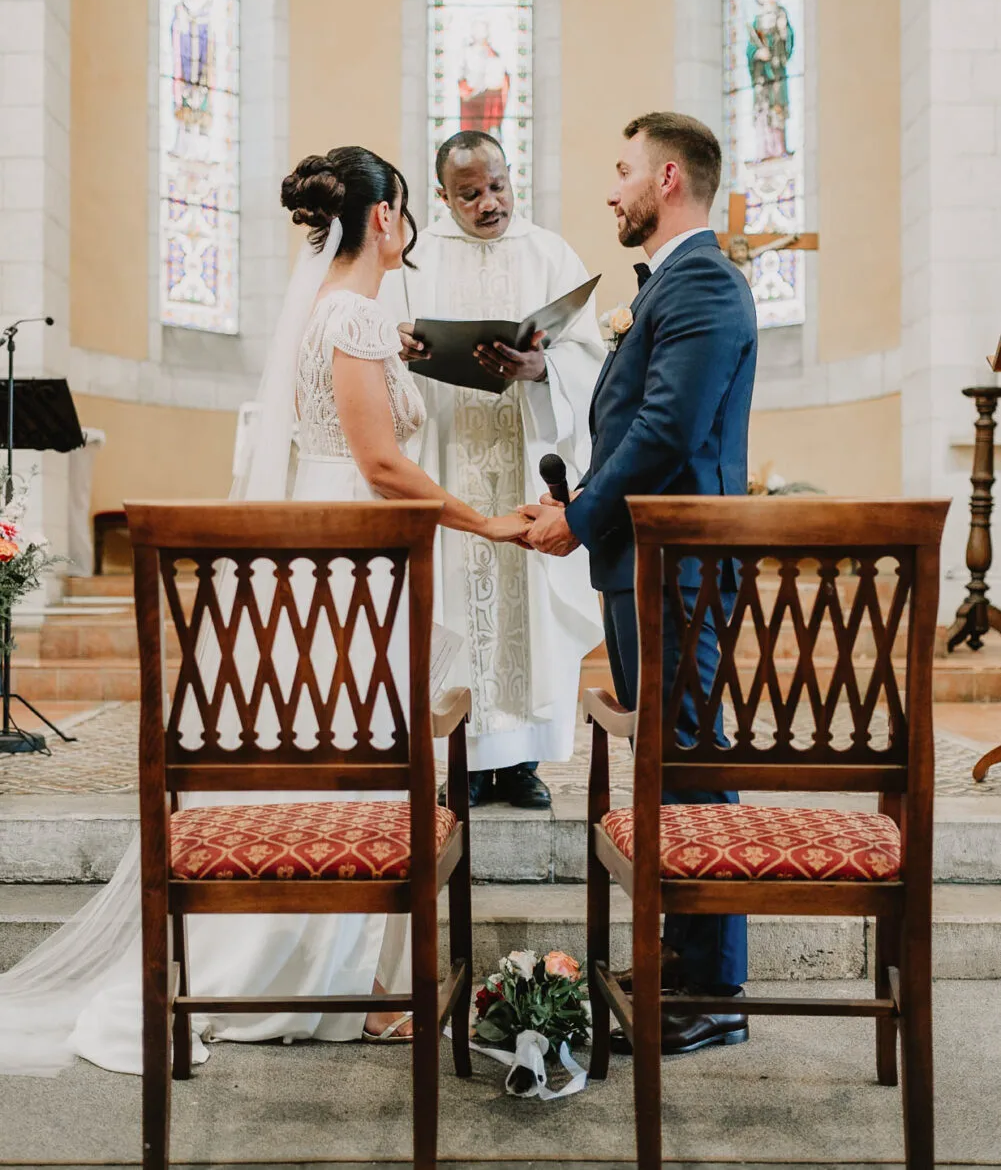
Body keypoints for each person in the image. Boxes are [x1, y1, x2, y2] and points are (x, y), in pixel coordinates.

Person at [0, 146, 528, 1074]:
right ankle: (340, 991)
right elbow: (382, 465)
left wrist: (397, 356)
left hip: (319, 556)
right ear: (382, 220)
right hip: (356, 559)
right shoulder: (354, 315)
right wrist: (486, 522)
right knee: (358, 748)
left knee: (325, 745)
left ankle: (321, 974)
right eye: (402, 213)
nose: (405, 229)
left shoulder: (340, 316)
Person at [522, 111, 758, 1055]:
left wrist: (578, 517)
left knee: (693, 765)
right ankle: (681, 964)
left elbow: (663, 430)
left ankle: (711, 989)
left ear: (667, 178)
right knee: (671, 763)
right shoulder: (674, 284)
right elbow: (637, 427)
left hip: (677, 563)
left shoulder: (701, 281)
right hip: (648, 559)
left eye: (621, 170)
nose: (609, 188)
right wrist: (584, 504)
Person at [381, 131, 604, 809]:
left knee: (532, 608)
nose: (489, 202)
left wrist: (542, 369)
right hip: (449, 461)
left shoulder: (550, 254)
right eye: (470, 192)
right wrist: (408, 352)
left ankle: (524, 763)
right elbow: (377, 363)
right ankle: (469, 759)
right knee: (457, 599)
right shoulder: (412, 267)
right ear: (443, 196)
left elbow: (593, 359)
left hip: (527, 459)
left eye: (498, 185)